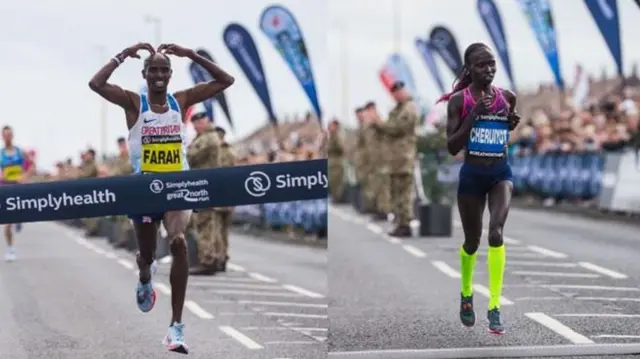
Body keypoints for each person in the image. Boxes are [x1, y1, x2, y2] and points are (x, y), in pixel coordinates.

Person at [88, 42, 234, 353]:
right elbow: (96, 84)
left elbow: (226, 82)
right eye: (152, 70)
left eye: (164, 70)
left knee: (179, 241)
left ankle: (176, 328)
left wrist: (192, 56)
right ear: (144, 74)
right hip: (144, 189)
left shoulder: (179, 102)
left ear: (170, 75)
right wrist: (122, 55)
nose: (158, 75)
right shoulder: (134, 104)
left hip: (177, 186)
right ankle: (144, 276)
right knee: (147, 256)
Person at [437, 43, 520, 335]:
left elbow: (504, 129)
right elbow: (452, 146)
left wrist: (510, 123)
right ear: (469, 69)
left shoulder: (507, 97)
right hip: (472, 175)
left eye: (492, 64)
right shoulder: (459, 102)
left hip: (500, 174)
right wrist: (473, 117)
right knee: (472, 241)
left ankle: (495, 307)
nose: (489, 70)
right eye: (482, 65)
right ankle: (466, 293)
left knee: (496, 232)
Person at [371, 82, 419, 237]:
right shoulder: (397, 109)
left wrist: (379, 123)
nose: (396, 95)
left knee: (403, 192)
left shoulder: (408, 108)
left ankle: (405, 224)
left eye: (399, 92)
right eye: (394, 93)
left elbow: (396, 128)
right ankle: (400, 222)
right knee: (396, 192)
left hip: (404, 158)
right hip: (394, 159)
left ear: (404, 91)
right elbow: (388, 129)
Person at [187, 113, 222, 276]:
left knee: (204, 223)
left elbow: (190, 156)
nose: (195, 127)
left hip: (205, 185)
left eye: (197, 123)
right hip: (205, 185)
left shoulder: (208, 138)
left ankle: (207, 260)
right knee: (208, 223)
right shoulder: (205, 137)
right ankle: (212, 258)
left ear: (204, 122)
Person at [0, 126, 28, 261]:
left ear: (12, 136)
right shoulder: (0, 154)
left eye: (9, 135)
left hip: (19, 188)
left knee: (19, 212)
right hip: (6, 189)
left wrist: (25, 176)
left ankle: (20, 218)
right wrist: (5, 177)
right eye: (5, 135)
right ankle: (10, 249)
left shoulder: (19, 152)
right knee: (7, 223)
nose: (7, 137)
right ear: (2, 136)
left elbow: (31, 165)